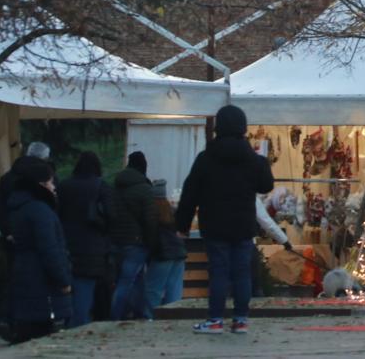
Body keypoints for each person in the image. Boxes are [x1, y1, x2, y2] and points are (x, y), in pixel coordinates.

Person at [176, 104, 275, 335]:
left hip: (215, 224)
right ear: (243, 127)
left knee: (218, 271)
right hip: (243, 225)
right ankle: (241, 319)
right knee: (242, 272)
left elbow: (190, 194)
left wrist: (181, 224)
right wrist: (261, 163)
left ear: (218, 127)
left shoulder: (206, 158)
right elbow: (266, 185)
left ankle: (215, 320)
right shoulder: (253, 160)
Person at [3, 157, 72, 343]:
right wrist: (63, 280)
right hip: (43, 286)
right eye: (50, 182)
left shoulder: (20, 207)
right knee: (42, 339)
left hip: (25, 277)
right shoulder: (40, 211)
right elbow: (50, 250)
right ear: (40, 185)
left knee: (28, 334)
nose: (54, 187)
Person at [55, 152, 110, 328]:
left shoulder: (64, 186)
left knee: (70, 293)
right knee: (85, 295)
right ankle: (79, 330)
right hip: (93, 249)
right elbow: (111, 217)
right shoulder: (101, 186)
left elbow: (57, 215)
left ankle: (69, 325)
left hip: (67, 246)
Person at [108, 151, 156, 320]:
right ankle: (115, 317)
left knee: (136, 280)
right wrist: (152, 243)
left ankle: (142, 313)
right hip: (136, 242)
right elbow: (150, 220)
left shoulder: (115, 187)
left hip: (116, 240)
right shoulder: (145, 189)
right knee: (127, 281)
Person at [146, 182, 188, 311]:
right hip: (179, 253)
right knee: (174, 290)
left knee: (154, 289)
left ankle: (151, 317)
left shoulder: (152, 212)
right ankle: (173, 317)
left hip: (162, 254)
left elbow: (150, 234)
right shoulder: (172, 210)